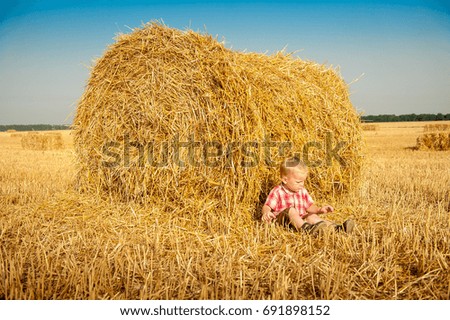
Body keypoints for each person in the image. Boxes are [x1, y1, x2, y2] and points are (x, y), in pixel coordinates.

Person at [261, 156, 354, 234]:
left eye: (303, 181)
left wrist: (319, 210)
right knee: (291, 210)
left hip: (300, 220)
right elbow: (267, 205)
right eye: (298, 181)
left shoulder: (302, 191)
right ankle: (306, 229)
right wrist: (266, 213)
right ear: (285, 180)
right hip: (283, 222)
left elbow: (309, 206)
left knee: (312, 216)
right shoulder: (277, 191)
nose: (302, 184)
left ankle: (338, 228)